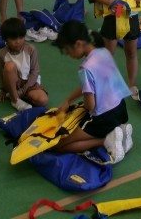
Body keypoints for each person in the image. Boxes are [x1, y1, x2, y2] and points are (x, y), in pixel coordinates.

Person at [52, 20, 132, 163]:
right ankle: (117, 131)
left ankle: (105, 139)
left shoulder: (85, 68)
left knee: (59, 145)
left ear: (78, 44)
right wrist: (68, 100)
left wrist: (81, 103)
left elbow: (91, 106)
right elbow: (92, 86)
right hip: (120, 109)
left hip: (102, 119)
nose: (69, 55)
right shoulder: (104, 52)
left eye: (68, 50)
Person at [0, 18, 48, 112]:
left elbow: (35, 72)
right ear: (6, 39)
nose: (18, 41)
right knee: (9, 66)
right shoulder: (2, 54)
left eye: (21, 37)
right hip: (13, 84)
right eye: (13, 38)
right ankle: (15, 100)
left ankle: (16, 95)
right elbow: (0, 73)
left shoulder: (31, 49)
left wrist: (22, 91)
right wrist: (2, 90)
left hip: (29, 84)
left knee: (43, 100)